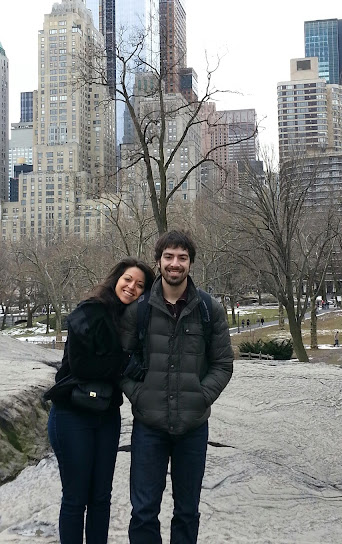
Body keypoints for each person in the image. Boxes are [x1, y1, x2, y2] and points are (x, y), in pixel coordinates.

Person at [121, 230, 234, 544]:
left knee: (187, 512)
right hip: (149, 427)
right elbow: (121, 363)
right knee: (143, 512)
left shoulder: (209, 309)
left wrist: (200, 397)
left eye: (182, 257)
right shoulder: (139, 309)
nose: (175, 263)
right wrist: (140, 396)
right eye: (168, 256)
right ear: (158, 261)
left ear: (190, 263)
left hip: (192, 428)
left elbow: (223, 364)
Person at [46, 258, 155, 544]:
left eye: (140, 285)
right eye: (128, 279)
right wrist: (123, 363)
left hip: (106, 415)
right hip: (72, 414)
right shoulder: (90, 311)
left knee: (101, 497)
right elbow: (81, 366)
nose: (132, 287)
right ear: (116, 278)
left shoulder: (132, 322)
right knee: (75, 497)